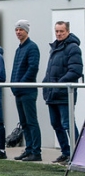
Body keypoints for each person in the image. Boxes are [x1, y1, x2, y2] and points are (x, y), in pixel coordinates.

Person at [43, 21, 83, 164]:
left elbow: (76, 71)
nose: (59, 34)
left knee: (68, 124)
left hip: (65, 95)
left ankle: (78, 155)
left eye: (62, 31)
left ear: (68, 31)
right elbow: (50, 72)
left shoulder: (73, 48)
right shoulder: (54, 48)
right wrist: (45, 86)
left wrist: (58, 84)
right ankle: (66, 153)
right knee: (56, 124)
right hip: (52, 94)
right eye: (57, 31)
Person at [11, 20, 42, 162]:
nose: (18, 32)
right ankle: (29, 149)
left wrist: (21, 84)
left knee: (31, 122)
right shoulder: (19, 49)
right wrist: (12, 85)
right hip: (19, 91)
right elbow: (15, 70)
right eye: (16, 30)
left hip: (28, 91)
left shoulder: (32, 47)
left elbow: (32, 68)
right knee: (24, 122)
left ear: (26, 31)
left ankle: (36, 151)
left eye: (20, 30)